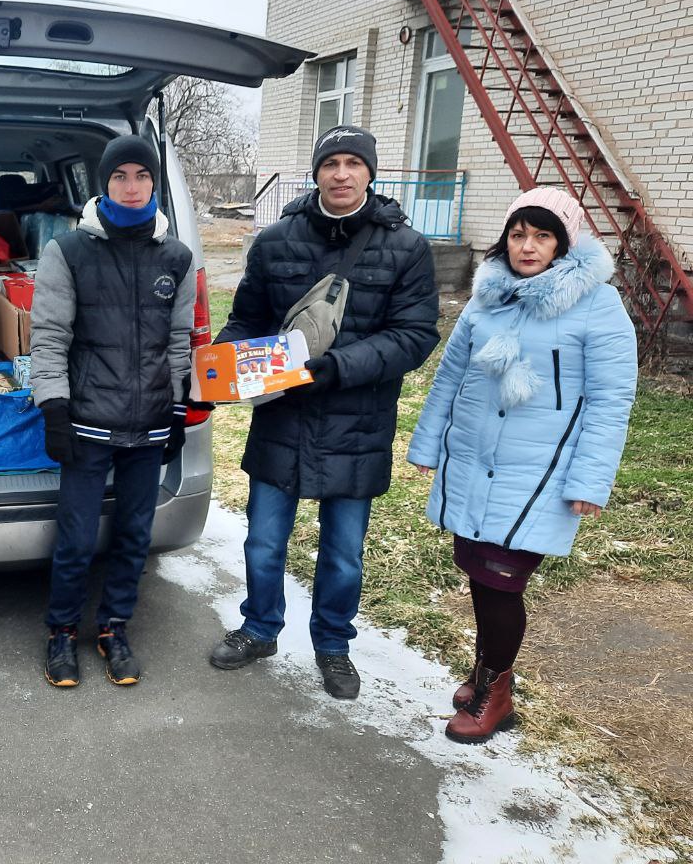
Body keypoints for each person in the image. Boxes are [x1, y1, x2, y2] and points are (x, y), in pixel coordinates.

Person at [207, 124, 439, 699]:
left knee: (343, 553)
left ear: (369, 172)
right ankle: (260, 628)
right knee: (263, 541)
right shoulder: (275, 241)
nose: (341, 174)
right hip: (282, 416)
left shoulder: (407, 248)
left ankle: (333, 645)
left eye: (353, 163)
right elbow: (247, 319)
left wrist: (338, 367)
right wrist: (223, 363)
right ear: (315, 173)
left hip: (357, 421)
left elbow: (414, 335)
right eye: (330, 163)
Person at [407, 187, 637, 743]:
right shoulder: (488, 297)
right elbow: (450, 376)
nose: (527, 246)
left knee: (501, 581)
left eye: (542, 236)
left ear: (564, 244)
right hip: (474, 459)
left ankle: (497, 694)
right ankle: (483, 673)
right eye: (517, 234)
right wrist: (428, 444)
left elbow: (610, 401)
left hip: (539, 471)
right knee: (479, 572)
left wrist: (590, 480)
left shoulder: (598, 304)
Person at [31, 135, 195, 688]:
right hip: (87, 422)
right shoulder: (69, 251)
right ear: (103, 184)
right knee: (77, 539)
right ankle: (61, 632)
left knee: (134, 536)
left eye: (142, 176)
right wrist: (54, 408)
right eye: (120, 176)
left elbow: (179, 342)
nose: (131, 186)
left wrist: (178, 409)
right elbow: (49, 338)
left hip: (150, 424)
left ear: (154, 183)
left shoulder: (177, 257)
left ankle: (114, 627)